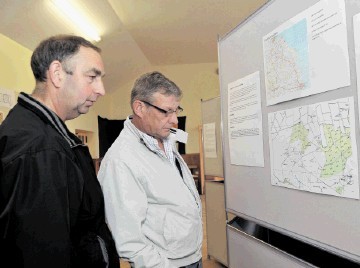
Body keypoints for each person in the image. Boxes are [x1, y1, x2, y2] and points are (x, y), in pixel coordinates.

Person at [0, 35, 119, 268]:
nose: (101, 89)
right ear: (57, 74)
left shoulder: (43, 133)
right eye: (92, 77)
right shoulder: (41, 150)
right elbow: (43, 255)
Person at [98, 71, 203, 267]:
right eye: (166, 111)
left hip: (191, 255)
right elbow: (127, 240)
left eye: (176, 110)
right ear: (139, 107)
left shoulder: (166, 138)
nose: (175, 120)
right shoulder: (120, 160)